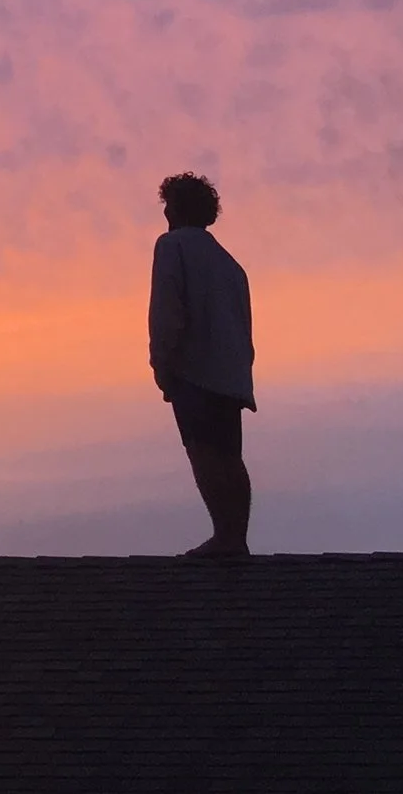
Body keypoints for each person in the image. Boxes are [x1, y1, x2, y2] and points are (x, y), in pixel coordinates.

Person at [148, 171, 254, 558]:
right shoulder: (231, 265)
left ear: (175, 209)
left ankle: (225, 538)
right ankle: (234, 537)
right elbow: (244, 325)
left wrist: (163, 364)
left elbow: (167, 310)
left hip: (194, 370)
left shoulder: (171, 246)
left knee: (204, 452)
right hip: (230, 375)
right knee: (229, 456)